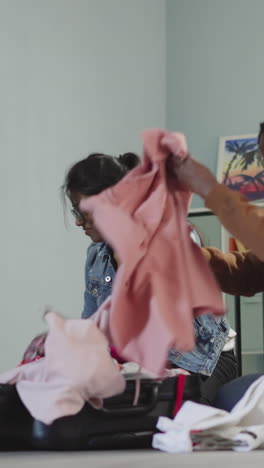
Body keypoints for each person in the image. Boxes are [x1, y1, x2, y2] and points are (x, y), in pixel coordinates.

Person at [23, 151, 237, 405]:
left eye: (83, 211)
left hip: (203, 361)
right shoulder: (97, 258)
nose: (79, 222)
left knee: (172, 416)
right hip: (146, 366)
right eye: (75, 211)